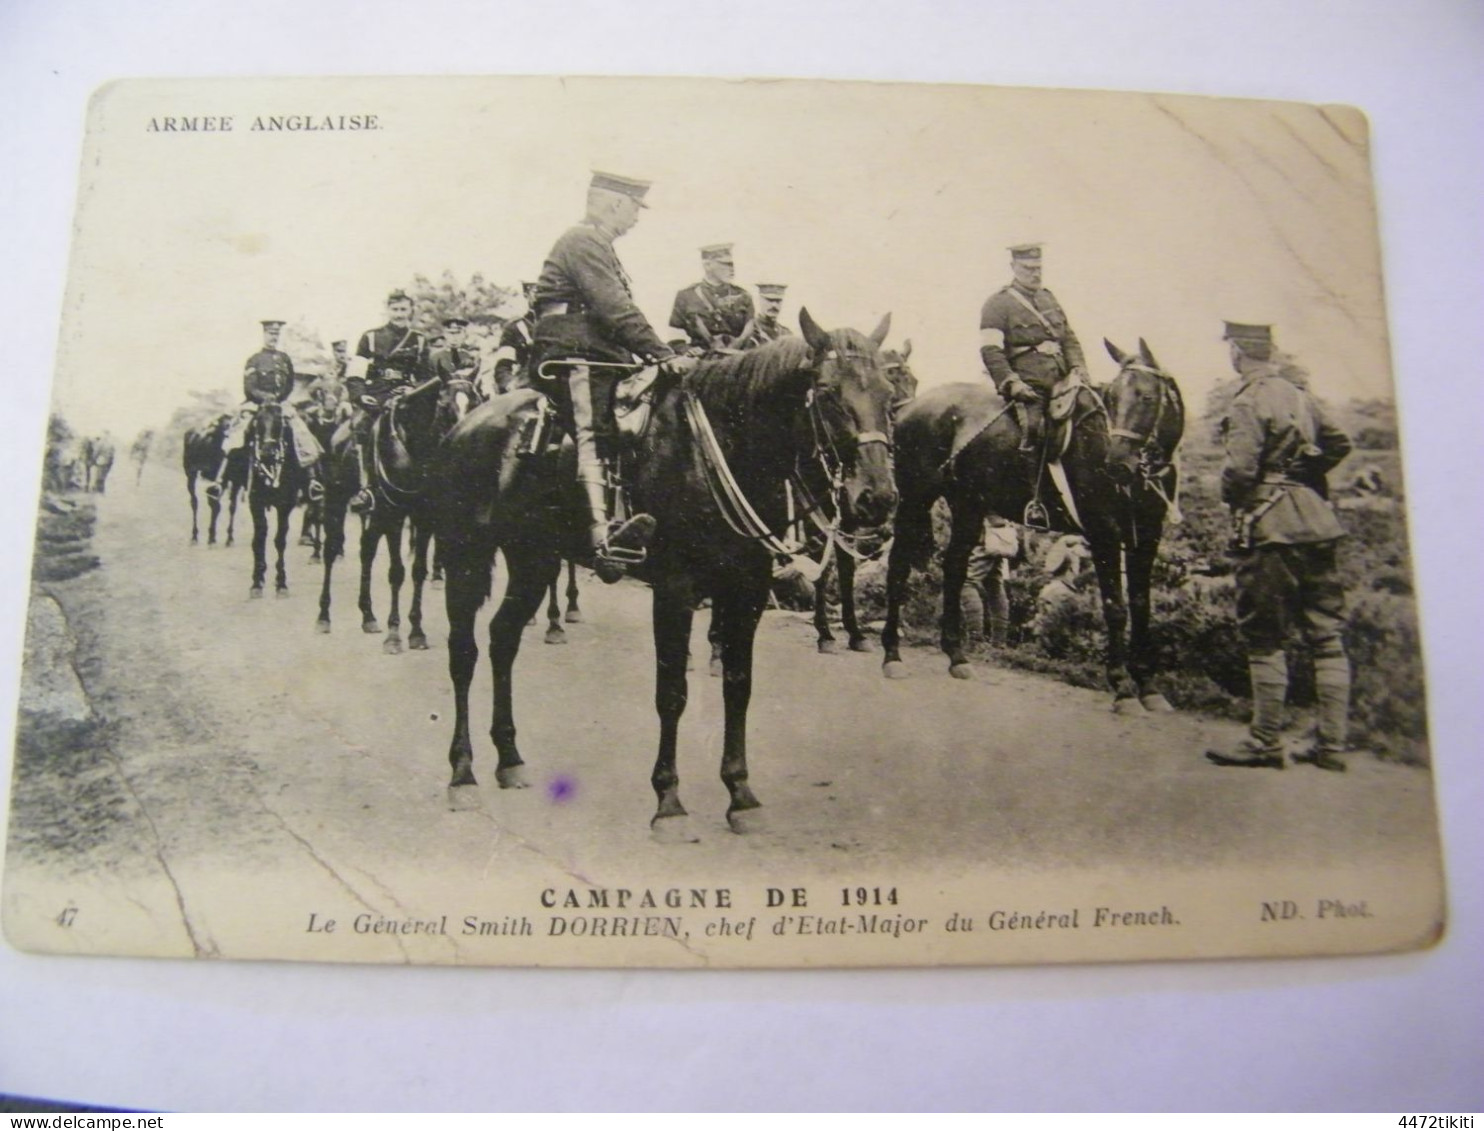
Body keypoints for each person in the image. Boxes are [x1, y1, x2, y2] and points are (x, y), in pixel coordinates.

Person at [530, 170, 695, 582]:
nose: (636, 218)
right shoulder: (582, 240)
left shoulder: (598, 244)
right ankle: (603, 537)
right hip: (576, 353)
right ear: (614, 204)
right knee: (594, 428)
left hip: (602, 352)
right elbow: (614, 308)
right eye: (634, 209)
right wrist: (660, 354)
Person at [1206, 321, 1354, 772]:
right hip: (1317, 521)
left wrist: (1237, 499)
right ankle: (1332, 746)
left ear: (1236, 352)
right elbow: (1339, 443)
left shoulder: (1249, 398)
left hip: (1270, 527)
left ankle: (1266, 742)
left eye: (1230, 348)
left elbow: (1240, 472)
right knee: (1326, 635)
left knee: (1264, 636)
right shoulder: (1300, 394)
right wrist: (1303, 479)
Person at [978, 243, 1089, 525]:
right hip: (1029, 382)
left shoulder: (1049, 299)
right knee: (1034, 428)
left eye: (1038, 268)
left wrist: (1079, 368)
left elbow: (1069, 339)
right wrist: (1010, 382)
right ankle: (1035, 501)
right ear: (1014, 267)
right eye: (1028, 268)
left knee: (1094, 417)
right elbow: (991, 351)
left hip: (1064, 379)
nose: (1034, 273)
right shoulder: (997, 304)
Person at [208, 320, 322, 498]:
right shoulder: (254, 360)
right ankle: (220, 481)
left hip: (280, 404)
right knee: (237, 433)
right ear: (264, 334)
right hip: (256, 403)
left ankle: (312, 481)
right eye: (270, 333)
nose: (273, 337)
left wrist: (278, 398)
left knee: (302, 432)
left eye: (276, 334)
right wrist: (265, 398)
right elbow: (249, 386)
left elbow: (289, 384)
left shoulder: (285, 359)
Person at [348, 290, 430, 513]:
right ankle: (365, 487)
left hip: (407, 396)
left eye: (404, 309)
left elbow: (427, 375)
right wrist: (360, 394)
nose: (399, 314)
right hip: (376, 393)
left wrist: (413, 388)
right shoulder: (370, 337)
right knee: (361, 426)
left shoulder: (420, 340)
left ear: (411, 311)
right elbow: (355, 373)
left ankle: (427, 483)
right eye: (395, 309)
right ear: (387, 310)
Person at [669, 244, 756, 352]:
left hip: (736, 361)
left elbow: (750, 337)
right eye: (725, 264)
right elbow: (675, 340)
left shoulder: (744, 296)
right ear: (707, 265)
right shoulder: (686, 296)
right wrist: (688, 351)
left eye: (732, 264)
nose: (732, 269)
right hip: (702, 360)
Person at [965, 515, 1019, 647]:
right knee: (994, 585)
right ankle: (999, 642)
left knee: (966, 583)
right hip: (998, 532)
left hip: (986, 531)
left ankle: (976, 640)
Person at [491, 281, 539, 393]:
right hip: (528, 387)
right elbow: (503, 367)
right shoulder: (516, 328)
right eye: (536, 291)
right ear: (526, 294)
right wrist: (510, 384)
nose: (541, 296)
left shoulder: (562, 325)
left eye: (546, 291)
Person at [733, 282, 791, 349]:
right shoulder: (749, 330)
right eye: (769, 300)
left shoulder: (786, 333)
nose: (774, 305)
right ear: (760, 300)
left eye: (778, 301)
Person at [430, 316, 482, 389]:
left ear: (464, 335)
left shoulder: (469, 356)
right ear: (445, 335)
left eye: (458, 333)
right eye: (450, 333)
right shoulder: (435, 357)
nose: (454, 338)